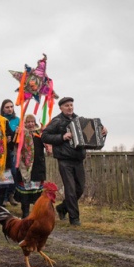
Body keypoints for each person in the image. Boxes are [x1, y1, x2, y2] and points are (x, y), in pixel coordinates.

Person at [41, 97, 107, 226]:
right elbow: (44, 135)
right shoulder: (57, 121)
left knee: (80, 189)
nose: (70, 107)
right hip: (64, 159)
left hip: (78, 159)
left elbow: (91, 134)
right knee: (70, 190)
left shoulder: (80, 121)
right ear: (61, 108)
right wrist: (62, 136)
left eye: (71, 105)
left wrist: (102, 131)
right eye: (66, 105)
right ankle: (74, 218)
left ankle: (62, 208)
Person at [14, 114, 47, 218]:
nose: (30, 124)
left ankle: (37, 212)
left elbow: (47, 145)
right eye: (28, 122)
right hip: (25, 165)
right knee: (25, 192)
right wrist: (17, 133)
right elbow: (14, 144)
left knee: (37, 192)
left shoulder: (39, 134)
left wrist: (44, 132)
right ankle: (25, 212)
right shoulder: (21, 134)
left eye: (32, 122)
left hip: (38, 165)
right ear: (25, 123)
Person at [0, 99, 20, 206]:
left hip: (13, 150)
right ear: (3, 109)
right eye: (7, 107)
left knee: (14, 172)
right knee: (3, 173)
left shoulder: (17, 120)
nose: (10, 109)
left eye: (11, 107)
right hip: (1, 150)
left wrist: (19, 132)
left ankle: (11, 194)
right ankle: (3, 197)